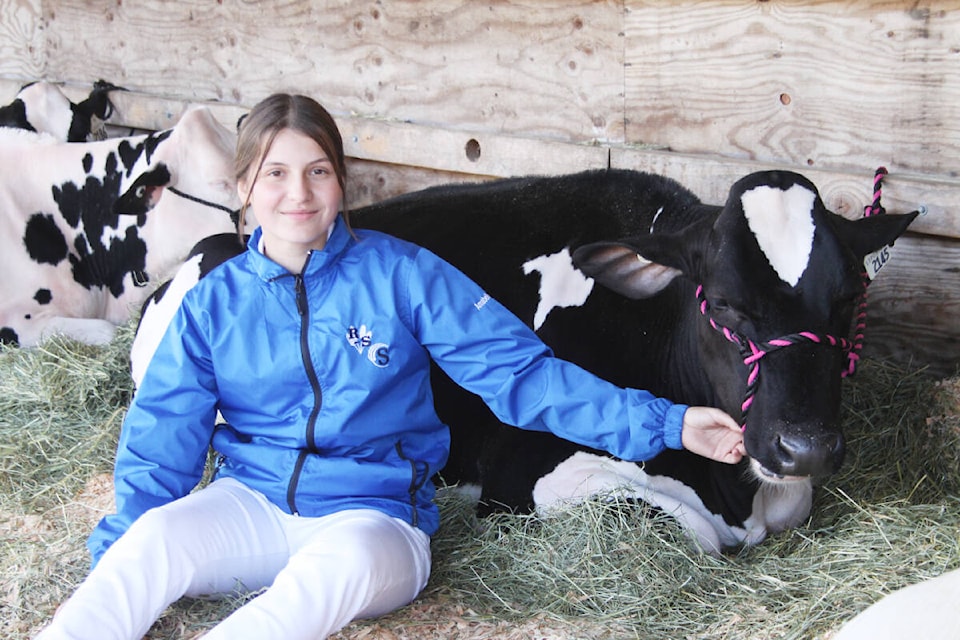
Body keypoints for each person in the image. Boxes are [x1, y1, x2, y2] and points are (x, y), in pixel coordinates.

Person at [36, 93, 746, 640]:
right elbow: (161, 439)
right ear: (245, 184)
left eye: (317, 171)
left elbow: (525, 379)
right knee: (151, 540)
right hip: (250, 504)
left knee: (318, 585)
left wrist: (672, 423)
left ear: (340, 181)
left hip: (371, 524)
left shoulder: (405, 276)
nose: (299, 193)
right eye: (275, 173)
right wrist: (120, 555)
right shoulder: (213, 304)